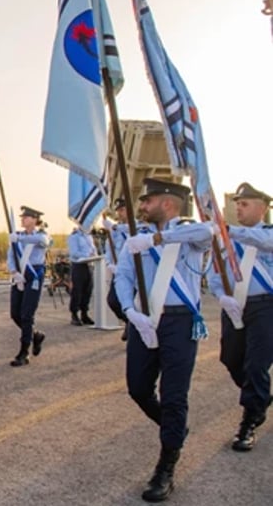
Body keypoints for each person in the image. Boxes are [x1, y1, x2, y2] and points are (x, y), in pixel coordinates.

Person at [115, 178, 213, 502]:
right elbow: (123, 276)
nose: (142, 206)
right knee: (138, 388)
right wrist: (130, 311)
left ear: (168, 202)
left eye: (148, 200)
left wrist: (158, 238)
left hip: (180, 323)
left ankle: (166, 466)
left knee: (173, 396)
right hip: (145, 320)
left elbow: (207, 234)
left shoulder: (188, 232)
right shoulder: (136, 237)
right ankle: (175, 429)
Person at [208, 182, 273, 452]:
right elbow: (213, 273)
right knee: (231, 358)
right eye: (237, 204)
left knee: (255, 364)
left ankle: (250, 418)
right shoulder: (227, 239)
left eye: (245, 204)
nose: (239, 208)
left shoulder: (267, 234)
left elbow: (262, 242)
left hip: (265, 306)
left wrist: (230, 231)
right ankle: (259, 396)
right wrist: (222, 296)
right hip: (235, 306)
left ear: (264, 208)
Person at [7, 206, 50, 367]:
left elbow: (42, 242)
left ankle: (24, 352)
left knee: (26, 314)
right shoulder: (16, 236)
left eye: (27, 217)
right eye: (22, 217)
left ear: (35, 220)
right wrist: (13, 271)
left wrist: (19, 240)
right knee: (15, 313)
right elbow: (10, 255)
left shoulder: (41, 235)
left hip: (34, 276)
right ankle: (35, 335)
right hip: (19, 275)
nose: (23, 219)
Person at [102, 197, 131, 340]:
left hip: (133, 272)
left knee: (132, 302)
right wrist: (109, 264)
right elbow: (108, 249)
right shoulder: (113, 231)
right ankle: (128, 321)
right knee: (113, 301)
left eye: (123, 210)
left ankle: (132, 327)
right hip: (118, 271)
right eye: (118, 210)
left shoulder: (136, 226)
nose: (120, 213)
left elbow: (132, 231)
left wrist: (114, 227)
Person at [67, 224, 97, 326]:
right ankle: (74, 314)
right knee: (77, 291)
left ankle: (85, 314)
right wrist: (87, 255)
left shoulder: (89, 236)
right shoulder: (74, 237)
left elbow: (93, 250)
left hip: (89, 265)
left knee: (87, 290)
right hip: (78, 266)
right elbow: (74, 252)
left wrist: (94, 254)